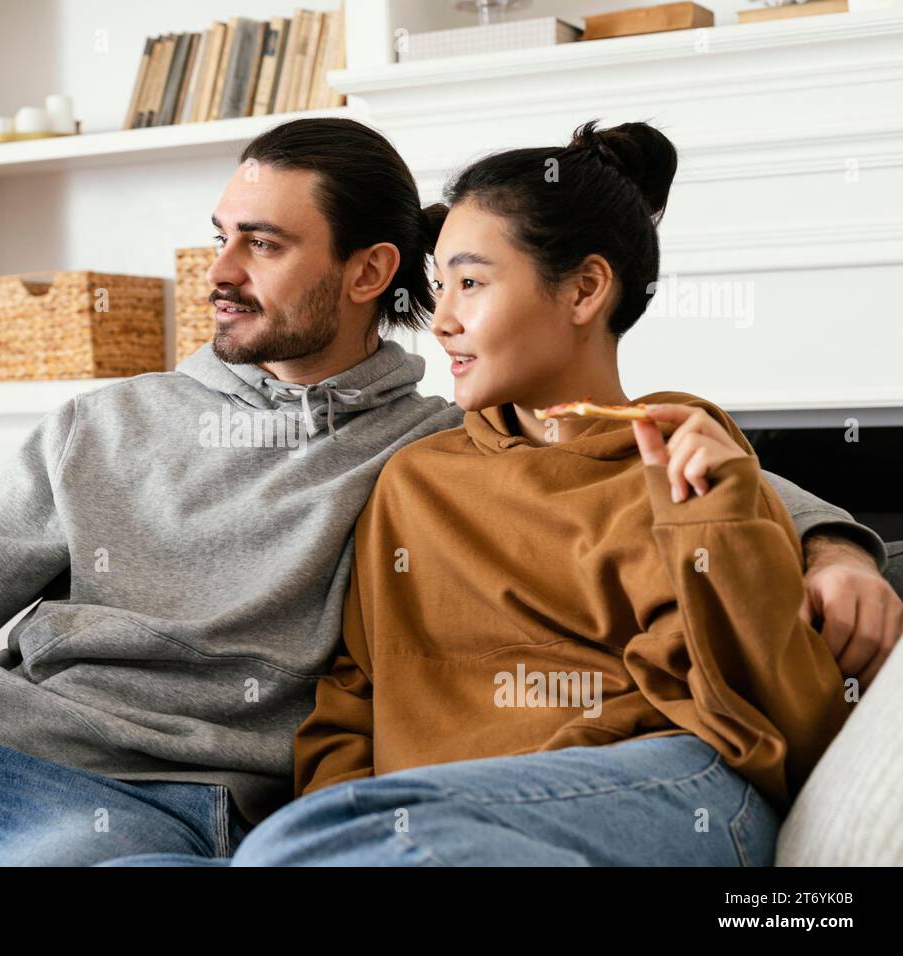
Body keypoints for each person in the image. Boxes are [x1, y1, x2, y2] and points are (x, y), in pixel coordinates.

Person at [0, 120, 893, 866]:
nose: (214, 269)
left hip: (133, 804)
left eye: (260, 243)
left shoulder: (426, 442)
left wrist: (835, 539)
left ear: (363, 268)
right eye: (219, 231)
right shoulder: (103, 418)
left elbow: (636, 446)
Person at [100, 121, 901, 867]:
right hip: (418, 822)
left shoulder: (694, 465)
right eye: (438, 288)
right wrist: (334, 816)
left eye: (471, 283)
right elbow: (354, 696)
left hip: (670, 783)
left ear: (586, 289)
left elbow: (788, 728)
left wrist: (737, 527)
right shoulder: (417, 474)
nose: (440, 321)